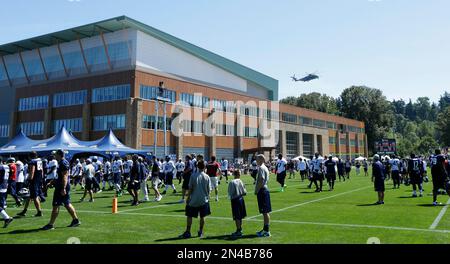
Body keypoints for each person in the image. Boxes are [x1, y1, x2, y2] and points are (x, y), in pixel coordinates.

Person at [41, 149, 80, 230]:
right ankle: (75, 220)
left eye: (55, 154)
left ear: (59, 154)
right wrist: (51, 182)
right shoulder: (61, 162)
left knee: (56, 205)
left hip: (61, 187)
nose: (54, 156)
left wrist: (63, 188)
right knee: (67, 204)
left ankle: (51, 224)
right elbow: (59, 176)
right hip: (61, 186)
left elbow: (65, 176)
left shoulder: (63, 163)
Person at [179, 160, 211, 239]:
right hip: (204, 199)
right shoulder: (207, 177)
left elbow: (190, 188)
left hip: (194, 199)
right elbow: (209, 189)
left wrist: (188, 197)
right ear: (204, 167)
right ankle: (200, 231)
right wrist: (207, 196)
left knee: (189, 215)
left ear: (197, 166)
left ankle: (188, 231)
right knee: (202, 216)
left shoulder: (193, 175)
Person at [17, 152, 44, 218]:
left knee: (35, 197)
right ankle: (24, 211)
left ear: (29, 156)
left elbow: (32, 171)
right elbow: (42, 171)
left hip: (34, 181)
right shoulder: (39, 160)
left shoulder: (32, 161)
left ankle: (39, 212)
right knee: (29, 196)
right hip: (38, 180)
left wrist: (29, 180)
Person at [255, 154, 271, 237]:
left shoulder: (261, 168)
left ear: (261, 159)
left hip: (262, 191)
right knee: (265, 212)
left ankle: (267, 231)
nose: (256, 161)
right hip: (265, 190)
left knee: (265, 212)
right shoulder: (265, 167)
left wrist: (256, 190)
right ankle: (265, 229)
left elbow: (261, 180)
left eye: (257, 159)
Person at [228, 169, 247, 239]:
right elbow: (245, 192)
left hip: (235, 200)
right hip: (241, 199)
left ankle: (238, 231)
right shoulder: (241, 181)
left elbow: (230, 193)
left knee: (236, 216)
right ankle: (240, 229)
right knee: (240, 216)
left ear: (234, 174)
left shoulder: (232, 182)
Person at [0, 159, 13, 228]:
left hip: (1, 186)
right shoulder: (6, 166)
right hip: (4, 185)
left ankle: (7, 218)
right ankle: (6, 218)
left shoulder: (1, 167)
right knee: (1, 204)